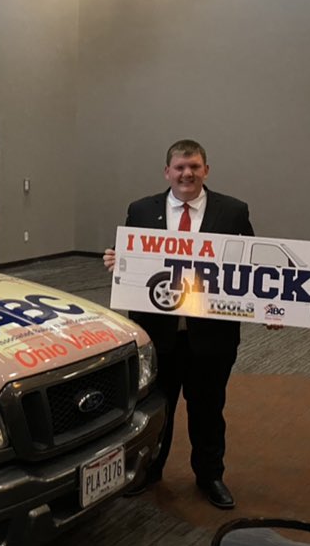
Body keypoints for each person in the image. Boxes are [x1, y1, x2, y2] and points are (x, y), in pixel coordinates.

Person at [103, 139, 253, 509]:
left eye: (195, 167)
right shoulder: (141, 210)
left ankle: (210, 475)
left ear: (206, 170)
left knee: (208, 409)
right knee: (157, 408)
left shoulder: (233, 212)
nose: (187, 174)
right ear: (167, 172)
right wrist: (117, 261)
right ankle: (150, 471)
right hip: (158, 336)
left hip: (212, 336)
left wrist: (271, 310)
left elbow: (251, 270)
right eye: (180, 167)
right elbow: (132, 262)